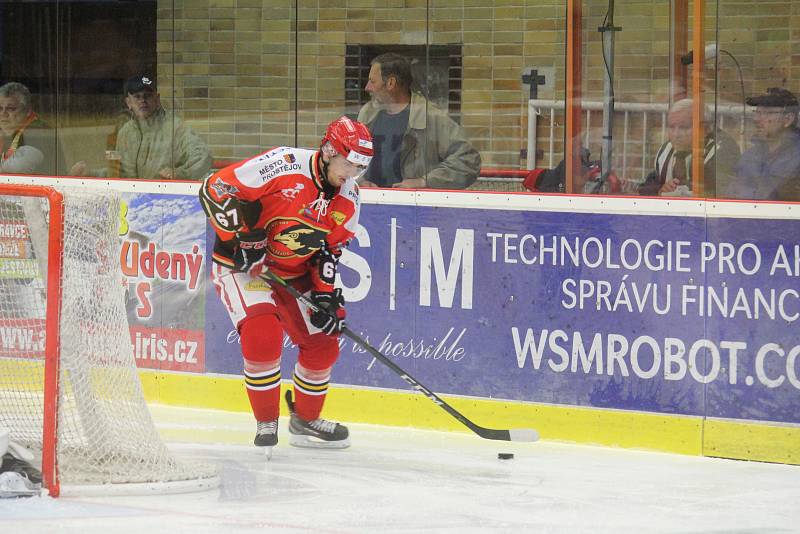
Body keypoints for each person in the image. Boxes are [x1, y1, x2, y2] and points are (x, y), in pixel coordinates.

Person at [199, 116, 373, 456]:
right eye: (349, 163)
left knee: (324, 342)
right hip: (244, 270)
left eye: (360, 167)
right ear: (328, 150)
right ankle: (266, 420)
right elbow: (214, 189)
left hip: (293, 273)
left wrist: (324, 296)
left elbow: (329, 249)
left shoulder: (349, 196)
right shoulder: (283, 164)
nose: (352, 173)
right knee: (262, 333)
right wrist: (241, 240)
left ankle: (306, 420)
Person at [356, 52, 481, 189]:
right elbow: (350, 157)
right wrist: (360, 180)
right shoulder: (367, 114)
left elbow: (468, 161)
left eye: (373, 82)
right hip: (370, 204)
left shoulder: (431, 117)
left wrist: (424, 182)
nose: (367, 87)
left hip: (415, 207)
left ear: (391, 83)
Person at [71, 75, 212, 180]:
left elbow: (203, 157)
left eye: (147, 96)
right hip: (133, 202)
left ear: (157, 99)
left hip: (165, 200)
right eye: (137, 97)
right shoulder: (125, 132)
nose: (143, 101)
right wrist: (91, 174)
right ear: (128, 102)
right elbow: (119, 172)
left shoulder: (176, 127)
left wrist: (180, 174)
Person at [638, 98, 740, 197]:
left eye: (684, 127)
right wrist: (660, 190)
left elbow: (713, 190)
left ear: (705, 129)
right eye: (671, 127)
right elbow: (648, 187)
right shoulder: (667, 149)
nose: (676, 134)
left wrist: (675, 191)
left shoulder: (723, 150)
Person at [725, 87, 800, 201]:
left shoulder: (796, 156)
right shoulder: (751, 155)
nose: (756, 119)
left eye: (766, 113)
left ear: (788, 119)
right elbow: (732, 194)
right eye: (757, 112)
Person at [0, 82, 66, 175]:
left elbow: (16, 168)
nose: (3, 114)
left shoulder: (39, 130)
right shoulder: (10, 131)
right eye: (0, 108)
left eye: (10, 108)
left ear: (28, 110)